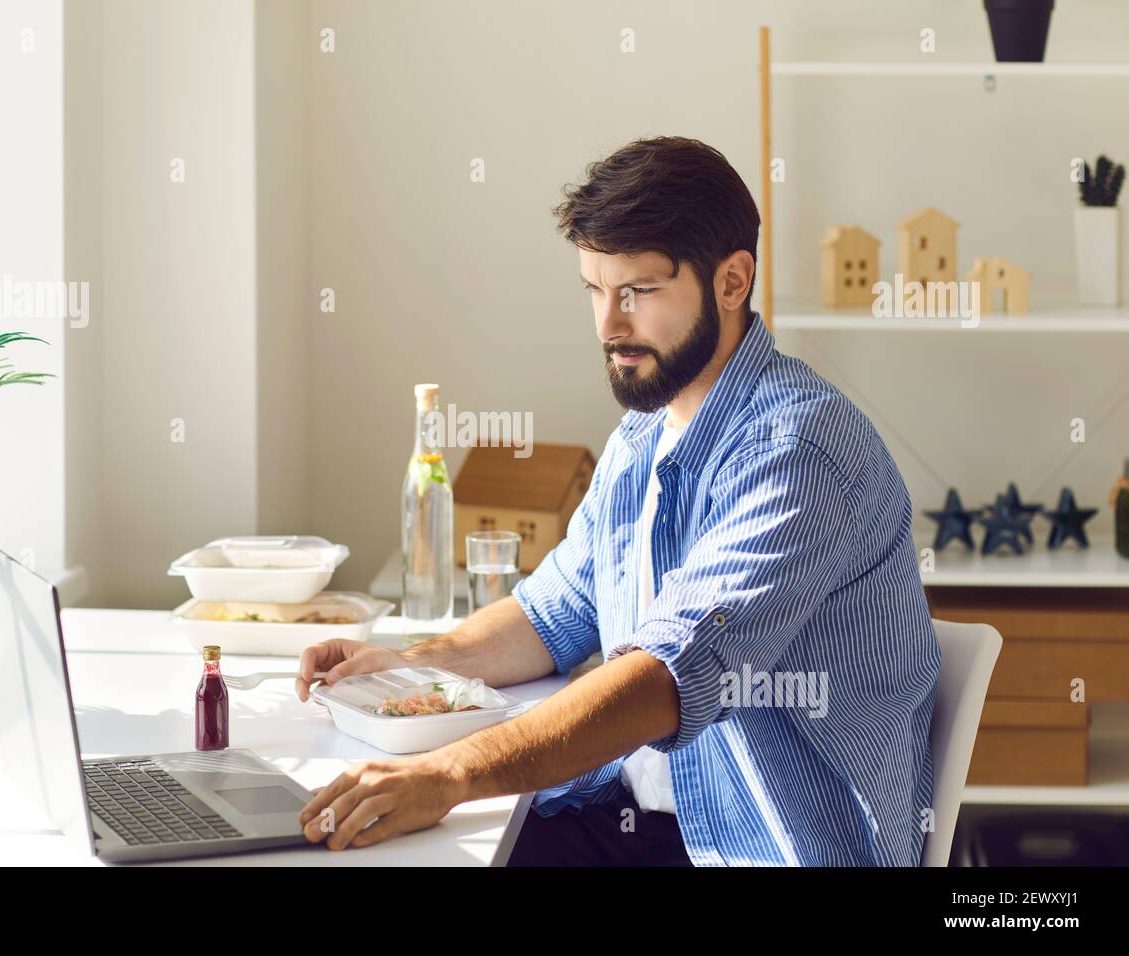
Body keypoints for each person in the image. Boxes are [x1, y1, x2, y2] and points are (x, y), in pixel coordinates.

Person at [293, 135, 940, 866]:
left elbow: (664, 679)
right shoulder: (643, 435)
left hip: (755, 849)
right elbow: (550, 614)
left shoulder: (798, 451)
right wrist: (411, 666)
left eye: (638, 292)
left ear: (732, 282)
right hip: (628, 821)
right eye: (596, 291)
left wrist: (447, 773)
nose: (608, 325)